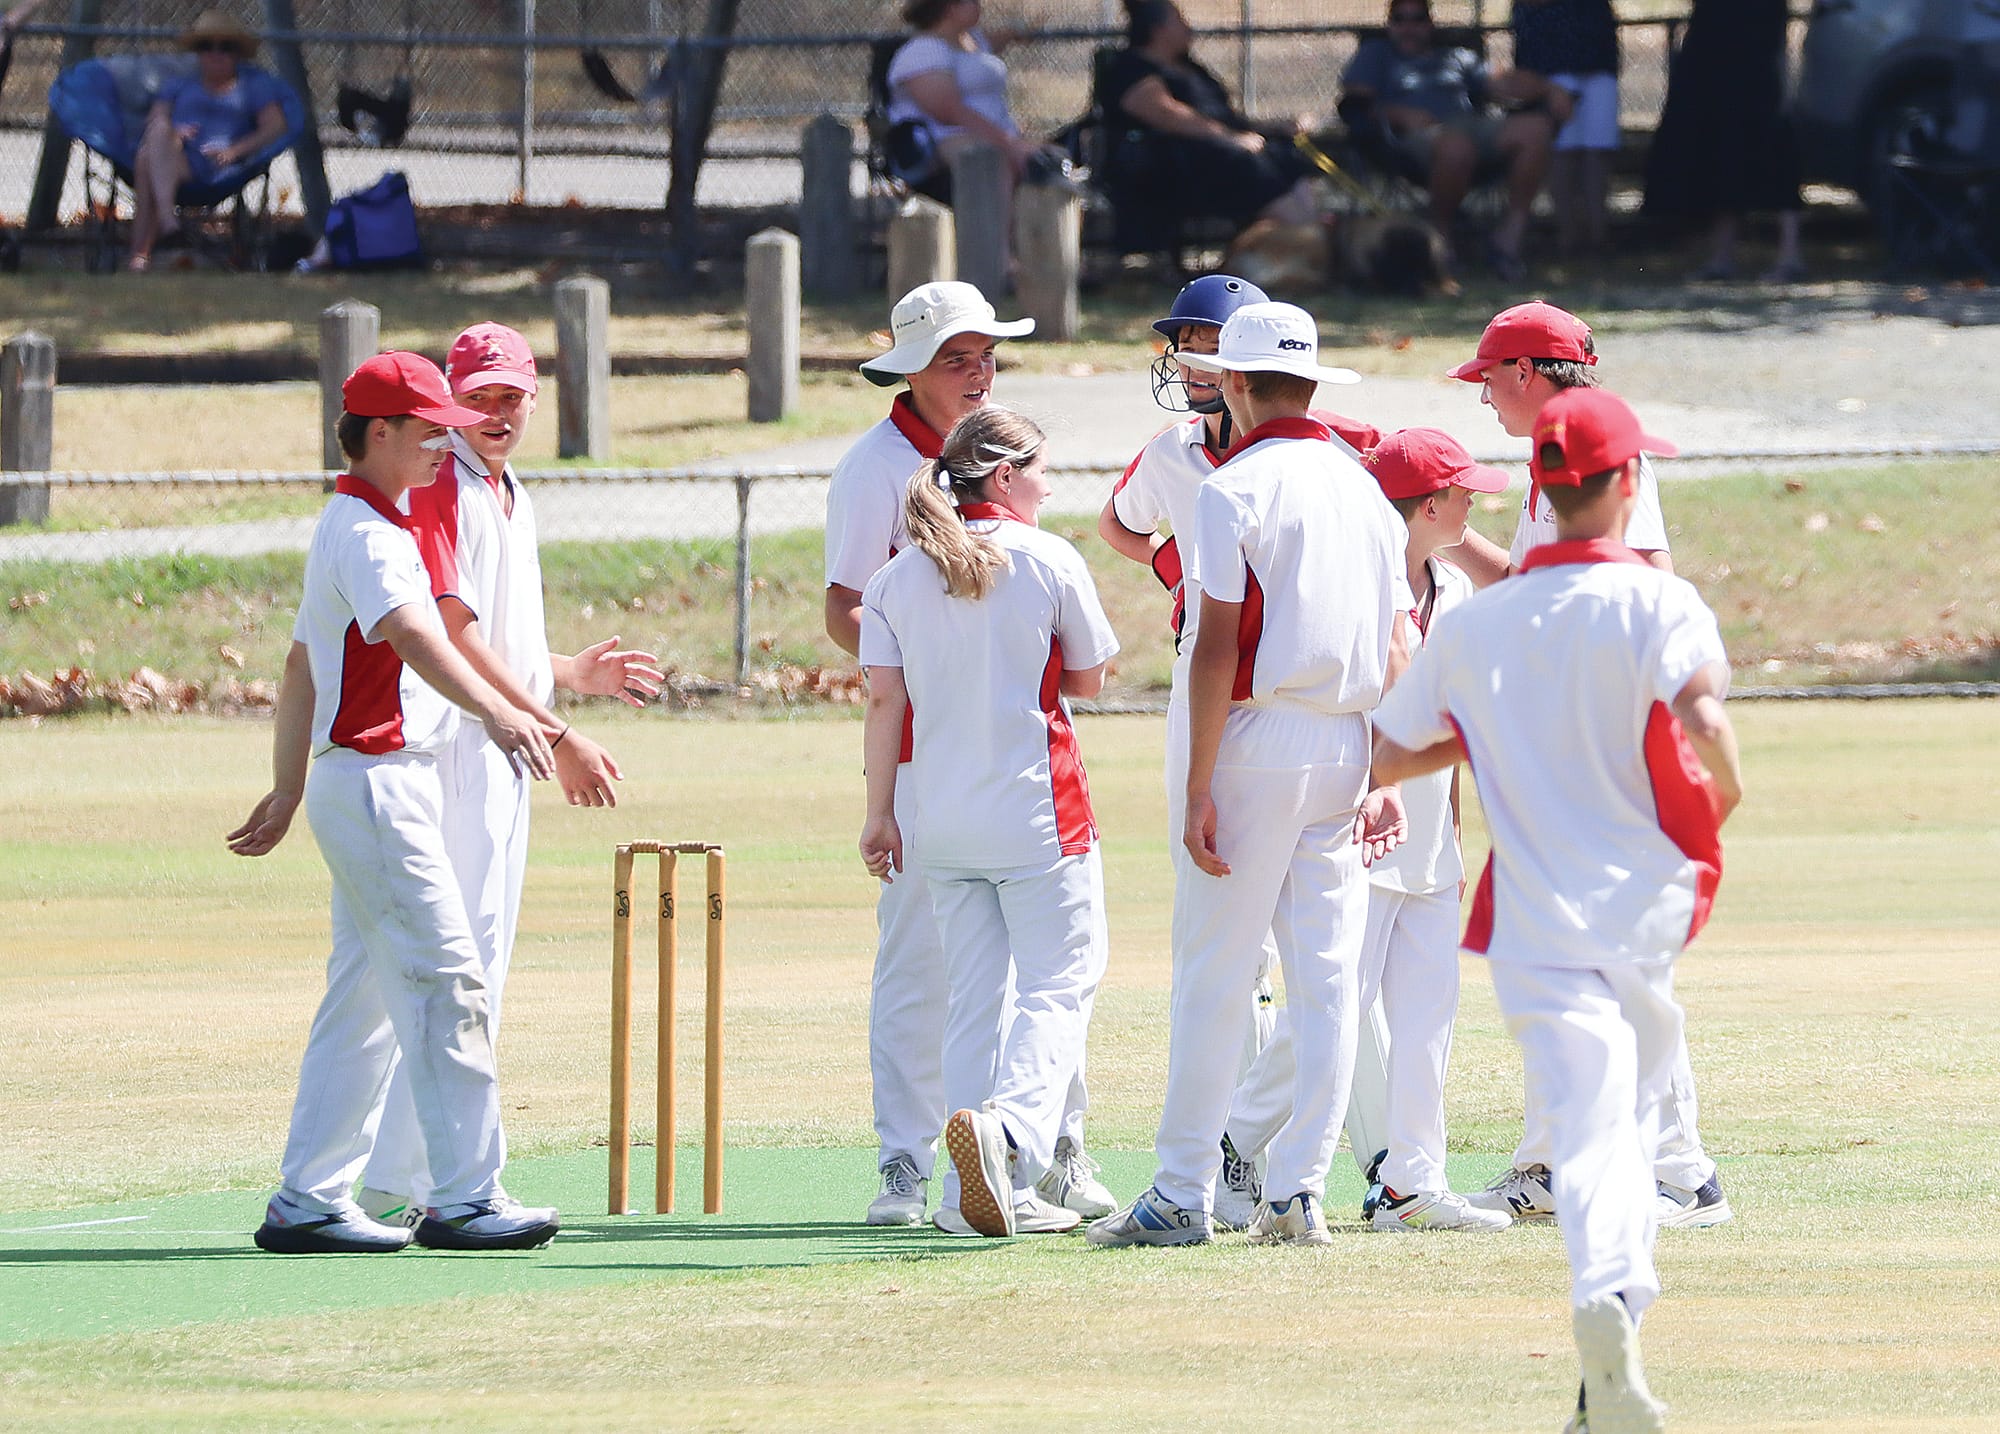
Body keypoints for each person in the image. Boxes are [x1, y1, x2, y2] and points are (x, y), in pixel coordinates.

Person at [1372, 386, 1743, 1433]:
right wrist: (1725, 788)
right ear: (1625, 486)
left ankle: (1603, 1314)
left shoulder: (1481, 619)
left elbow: (1394, 751)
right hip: (1641, 909)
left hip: (1533, 921)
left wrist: (1476, 734)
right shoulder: (1658, 603)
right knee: (1622, 1123)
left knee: (1585, 1129)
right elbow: (1703, 720)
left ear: (1537, 487)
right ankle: (1610, 1327)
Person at [1088, 302, 1411, 1249]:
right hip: (1348, 743)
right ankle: (1297, 1188)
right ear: (1311, 385)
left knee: (1216, 974)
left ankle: (1181, 1191)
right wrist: (1384, 765)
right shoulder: (1361, 487)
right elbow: (1397, 643)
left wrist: (1195, 783)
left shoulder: (1235, 489)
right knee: (1326, 980)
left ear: (1234, 382)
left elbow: (1216, 642)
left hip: (1255, 740)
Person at [229, 352, 560, 1255]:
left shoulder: (368, 517)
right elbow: (412, 634)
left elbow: (303, 664)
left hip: (366, 781)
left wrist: (291, 785)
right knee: (448, 978)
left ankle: (309, 1198)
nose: (444, 442)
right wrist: (500, 713)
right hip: (378, 781)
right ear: (381, 432)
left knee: (367, 995)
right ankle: (463, 1197)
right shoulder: (372, 534)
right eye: (429, 430)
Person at [353, 323, 665, 1225]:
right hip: (462, 749)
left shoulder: (503, 485)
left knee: (471, 966)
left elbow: (500, 636)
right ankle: (422, 1183)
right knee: (458, 967)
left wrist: (569, 674)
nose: (495, 412)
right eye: (479, 395)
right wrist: (554, 729)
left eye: (511, 396)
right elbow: (453, 632)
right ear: (451, 397)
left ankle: (417, 1178)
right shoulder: (446, 480)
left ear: (535, 398)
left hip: (505, 742)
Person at [1441, 302, 1736, 1235]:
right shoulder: (1549, 463)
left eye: (1489, 377)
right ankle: (1550, 1159)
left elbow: (1636, 577)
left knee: (1618, 967)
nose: (1483, 394)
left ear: (1528, 372)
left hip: (1609, 753)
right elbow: (1541, 589)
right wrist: (1433, 521)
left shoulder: (1606, 450)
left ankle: (1682, 1173)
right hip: (1565, 751)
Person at [828, 281, 1115, 1229]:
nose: (980, 371)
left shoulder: (991, 540)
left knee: (995, 982)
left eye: (986, 354)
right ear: (910, 368)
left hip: (939, 779)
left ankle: (1027, 1163)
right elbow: (852, 617)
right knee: (955, 973)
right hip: (948, 767)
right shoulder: (876, 471)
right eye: (958, 357)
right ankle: (926, 1161)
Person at [1353, 429, 1513, 1234]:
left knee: (1427, 1020)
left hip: (1426, 843)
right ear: (1427, 505)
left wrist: (1451, 837)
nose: (1475, 504)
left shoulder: (1452, 588)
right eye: (1462, 494)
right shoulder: (1356, 584)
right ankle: (1243, 1161)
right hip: (1352, 832)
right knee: (1332, 1017)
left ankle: (1411, 1185)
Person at [1339, 0, 1564, 280]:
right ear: (1390, 24)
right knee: (1455, 146)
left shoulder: (1456, 57)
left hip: (1470, 126)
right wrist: (1398, 113)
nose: (1409, 27)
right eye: (1400, 19)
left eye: (1417, 19)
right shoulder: (1375, 54)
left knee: (1536, 129)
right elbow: (1353, 105)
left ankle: (1508, 238)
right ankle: (1440, 239)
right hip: (1409, 139)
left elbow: (1503, 83)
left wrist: (1550, 88)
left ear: (1430, 23)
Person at [1099, 1, 1318, 234]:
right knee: (1245, 162)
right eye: (1179, 21)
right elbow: (1166, 115)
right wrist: (1229, 137)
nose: (1188, 27)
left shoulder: (1189, 67)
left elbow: (1225, 116)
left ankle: (1306, 235)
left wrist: (1272, 127)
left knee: (1284, 152)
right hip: (1174, 165)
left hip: (1220, 152)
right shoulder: (1131, 69)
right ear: (1157, 29)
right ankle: (1302, 235)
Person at [1643, 0, 1804, 284]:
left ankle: (1789, 256)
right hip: (1714, 48)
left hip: (1757, 50)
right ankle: (1722, 256)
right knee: (1721, 145)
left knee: (1774, 141)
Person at [126, 8, 290, 272]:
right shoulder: (180, 84)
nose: (215, 53)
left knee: (146, 160)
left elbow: (276, 126)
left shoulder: (253, 86)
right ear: (198, 53)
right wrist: (174, 131)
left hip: (218, 168)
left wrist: (236, 150)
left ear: (236, 53)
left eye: (224, 46)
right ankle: (166, 226)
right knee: (154, 141)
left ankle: (140, 254)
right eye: (206, 46)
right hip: (177, 158)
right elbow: (156, 118)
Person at [885, 0, 1045, 190]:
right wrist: (1010, 144)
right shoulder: (923, 51)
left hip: (993, 136)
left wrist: (1015, 30)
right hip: (942, 142)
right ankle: (994, 220)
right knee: (994, 162)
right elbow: (949, 112)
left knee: (1052, 158)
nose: (980, 6)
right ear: (951, 8)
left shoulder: (970, 41)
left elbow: (995, 40)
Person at [1511, 0, 1620, 259]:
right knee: (1562, 150)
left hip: (1596, 57)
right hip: (1549, 62)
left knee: (1599, 150)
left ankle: (1598, 237)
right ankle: (1566, 237)